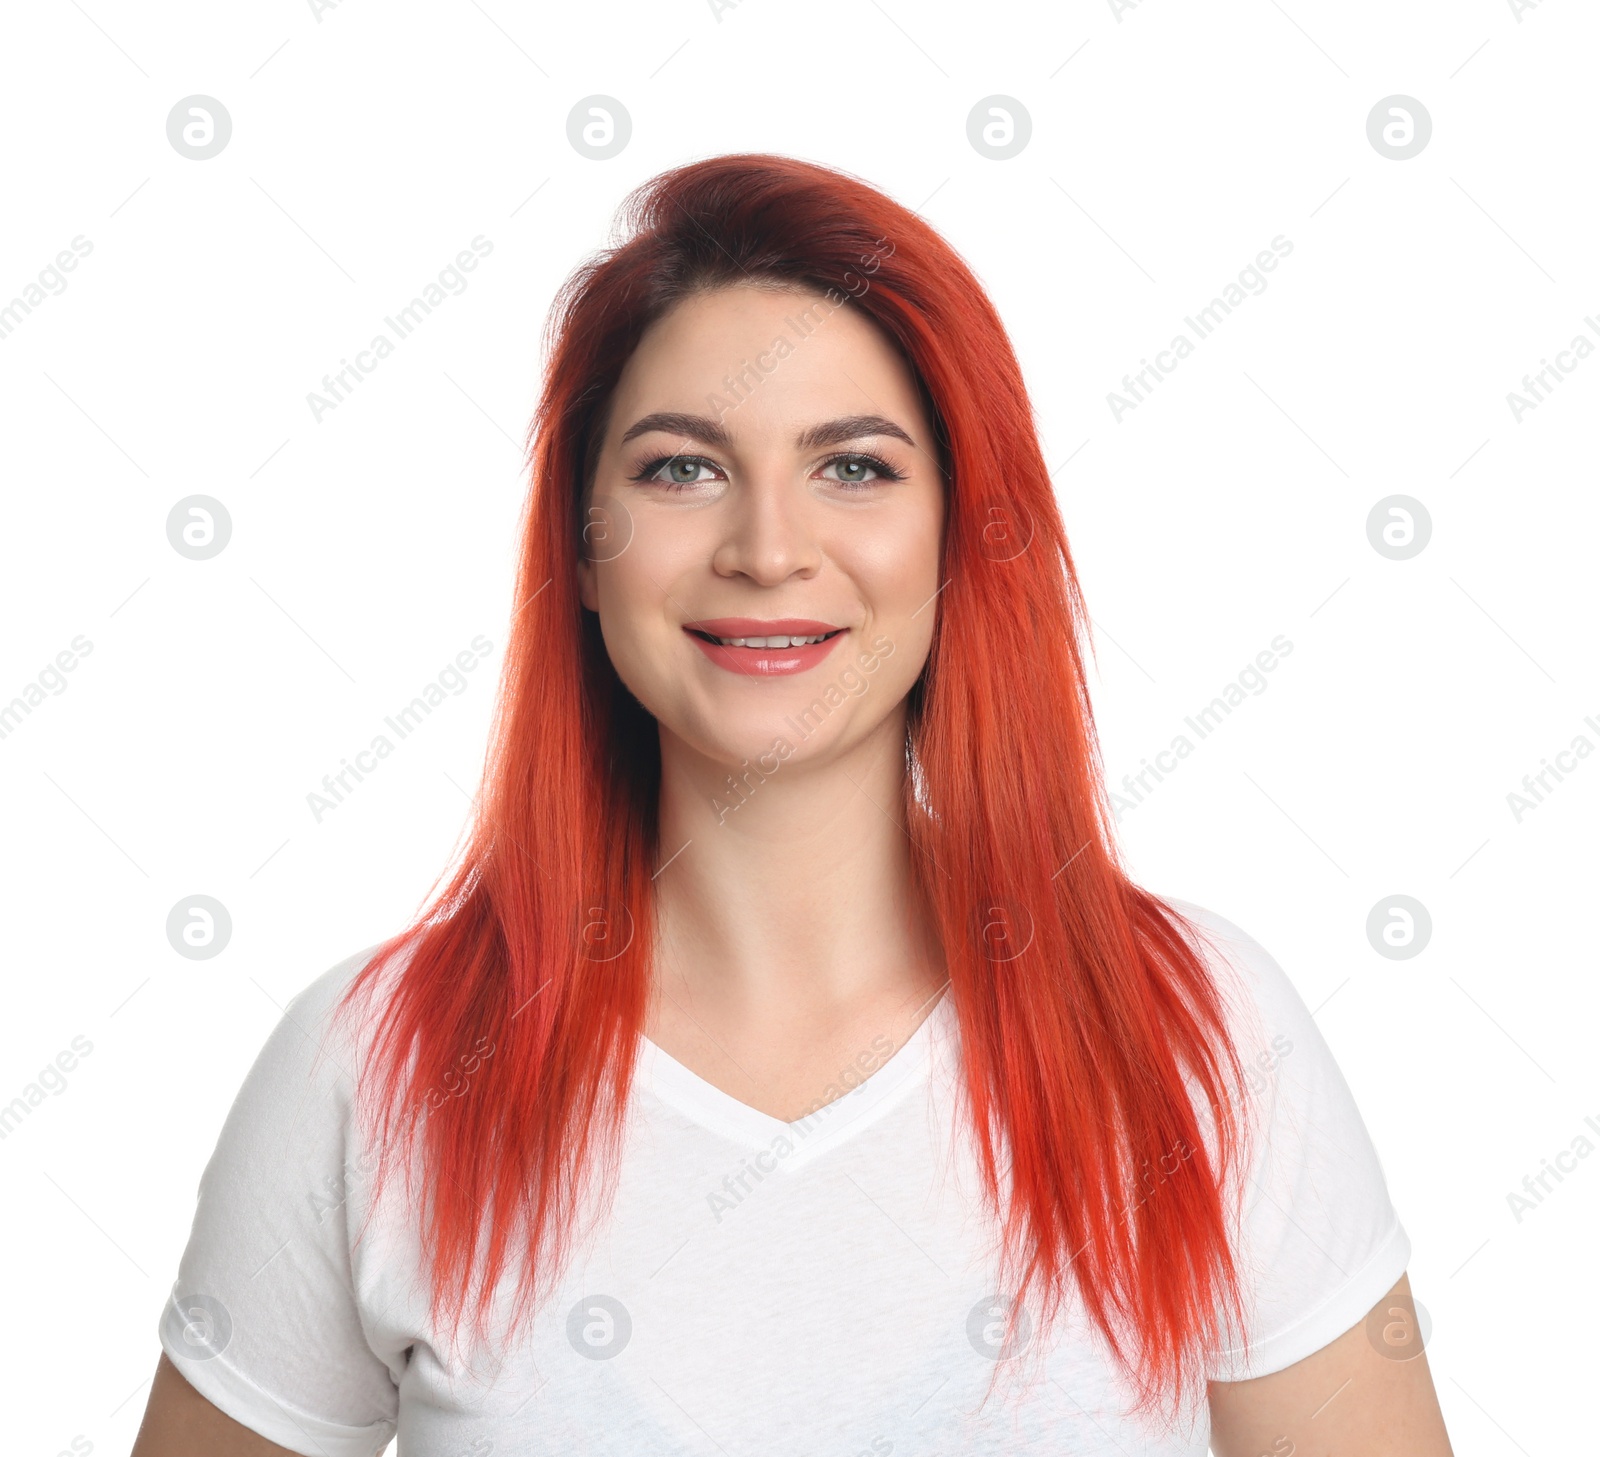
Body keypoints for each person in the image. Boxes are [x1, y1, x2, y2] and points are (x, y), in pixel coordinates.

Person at [130, 154, 1453, 1456]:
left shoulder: (1198, 1035)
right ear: (582, 545)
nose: (767, 548)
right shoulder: (373, 1070)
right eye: (680, 468)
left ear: (962, 535)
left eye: (856, 467)